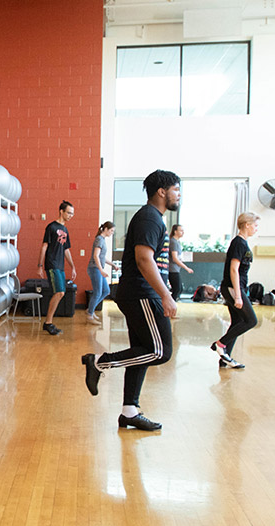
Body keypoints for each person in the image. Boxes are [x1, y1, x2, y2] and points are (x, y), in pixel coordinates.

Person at [80, 170, 181, 431]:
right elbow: (144, 259)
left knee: (143, 352)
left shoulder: (152, 218)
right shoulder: (150, 218)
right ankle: (99, 362)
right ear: (162, 191)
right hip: (141, 293)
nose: (179, 194)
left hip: (138, 293)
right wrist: (166, 295)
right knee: (159, 351)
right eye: (176, 189)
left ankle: (129, 412)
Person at [211, 212, 260, 369]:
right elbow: (234, 270)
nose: (256, 228)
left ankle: (224, 358)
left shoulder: (242, 243)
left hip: (235, 288)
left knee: (238, 322)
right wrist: (238, 296)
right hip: (233, 288)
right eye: (255, 225)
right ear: (247, 225)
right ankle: (220, 344)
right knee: (251, 320)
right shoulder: (238, 243)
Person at [37, 201, 77, 335]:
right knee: (59, 292)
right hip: (52, 264)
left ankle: (48, 322)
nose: (71, 215)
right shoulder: (51, 227)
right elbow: (44, 246)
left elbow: (66, 250)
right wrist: (40, 265)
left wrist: (73, 267)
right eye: (69, 213)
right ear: (61, 211)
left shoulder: (65, 230)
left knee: (61, 293)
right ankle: (48, 323)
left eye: (72, 213)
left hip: (60, 265)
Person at [86, 221, 117, 322]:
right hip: (95, 269)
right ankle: (90, 314)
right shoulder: (99, 239)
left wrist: (112, 265)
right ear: (106, 229)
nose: (112, 233)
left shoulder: (102, 240)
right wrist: (101, 270)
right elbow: (96, 256)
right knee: (98, 292)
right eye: (111, 231)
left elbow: (102, 257)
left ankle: (91, 309)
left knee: (106, 291)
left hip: (98, 269)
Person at [167, 224, 194, 301]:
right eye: (181, 230)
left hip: (175, 269)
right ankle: (169, 305)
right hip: (172, 269)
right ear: (175, 231)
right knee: (177, 289)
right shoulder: (173, 242)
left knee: (178, 289)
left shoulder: (177, 242)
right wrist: (186, 268)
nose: (183, 232)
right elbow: (175, 258)